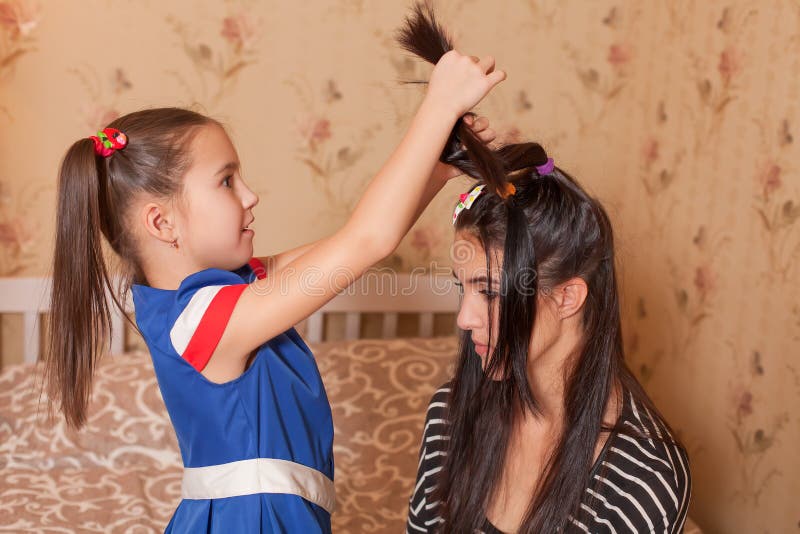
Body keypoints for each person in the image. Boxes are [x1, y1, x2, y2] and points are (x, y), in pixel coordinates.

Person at [43, 46, 505, 532]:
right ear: (162, 222)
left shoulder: (229, 295)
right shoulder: (201, 322)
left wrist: (436, 170)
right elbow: (366, 240)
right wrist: (438, 106)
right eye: (226, 182)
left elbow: (353, 241)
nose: (250, 195)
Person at [400, 8, 691, 534]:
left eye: (488, 291)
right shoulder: (452, 409)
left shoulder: (641, 474)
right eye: (462, 289)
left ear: (568, 297)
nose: (465, 318)